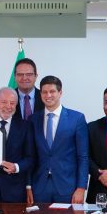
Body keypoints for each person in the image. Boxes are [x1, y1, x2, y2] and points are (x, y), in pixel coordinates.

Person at [28, 75, 88, 204]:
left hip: (67, 186)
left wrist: (81, 188)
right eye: (44, 92)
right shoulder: (33, 119)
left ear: (60, 93)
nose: (48, 95)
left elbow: (83, 156)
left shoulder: (77, 118)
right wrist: (28, 186)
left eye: (52, 91)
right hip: (39, 187)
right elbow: (29, 155)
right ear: (40, 94)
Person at [0, 87, 35, 203]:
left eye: (12, 103)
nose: (9, 106)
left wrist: (16, 167)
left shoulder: (25, 126)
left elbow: (30, 157)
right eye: (4, 102)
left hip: (15, 191)